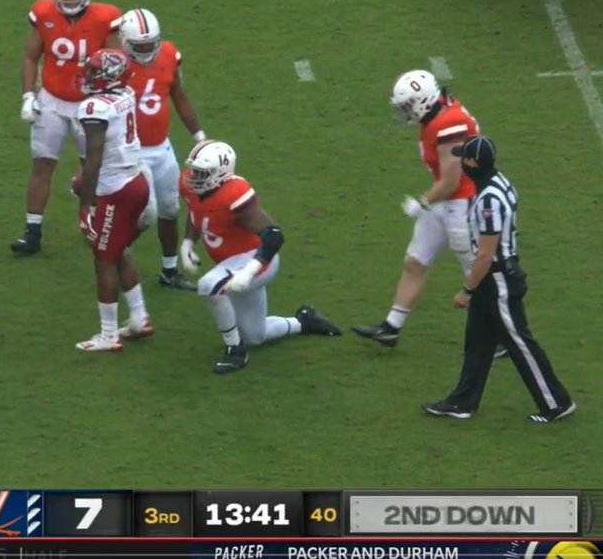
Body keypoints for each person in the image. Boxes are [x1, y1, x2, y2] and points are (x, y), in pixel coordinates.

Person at [352, 70, 505, 359]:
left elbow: (450, 179)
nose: (405, 112)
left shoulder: (449, 123)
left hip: (462, 203)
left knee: (475, 274)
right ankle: (391, 327)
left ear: (422, 100)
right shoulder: (438, 114)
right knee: (415, 261)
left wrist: (422, 202)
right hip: (444, 202)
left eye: (408, 105)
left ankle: (500, 336)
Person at [422, 136, 575, 423]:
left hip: (497, 280)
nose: (461, 162)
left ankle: (557, 402)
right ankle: (462, 402)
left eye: (464, 158)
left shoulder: (487, 201)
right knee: (478, 342)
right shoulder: (499, 182)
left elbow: (486, 254)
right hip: (497, 275)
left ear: (474, 163)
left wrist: (467, 290)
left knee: (519, 342)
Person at [178, 140, 342, 373]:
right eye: (194, 170)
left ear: (221, 173)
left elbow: (274, 236)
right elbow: (196, 213)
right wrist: (187, 243)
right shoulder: (193, 186)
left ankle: (235, 351)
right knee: (256, 335)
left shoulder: (233, 194)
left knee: (208, 286)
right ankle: (304, 322)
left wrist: (249, 271)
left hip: (256, 260)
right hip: (230, 264)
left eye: (202, 173)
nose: (193, 176)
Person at [11, 0, 123, 256]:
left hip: (90, 104)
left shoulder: (106, 18)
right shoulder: (44, 13)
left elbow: (117, 63)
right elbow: (29, 57)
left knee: (92, 167)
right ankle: (32, 230)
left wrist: (110, 100)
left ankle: (90, 223)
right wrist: (27, 95)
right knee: (42, 164)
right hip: (52, 99)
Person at [69, 49, 156, 352]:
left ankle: (108, 335)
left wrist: (86, 205)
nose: (87, 75)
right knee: (119, 250)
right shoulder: (126, 93)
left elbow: (93, 161)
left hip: (116, 190)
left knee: (103, 258)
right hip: (136, 181)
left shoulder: (94, 108)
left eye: (93, 71)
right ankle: (139, 317)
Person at [117, 7, 208, 290]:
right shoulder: (114, 64)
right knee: (149, 213)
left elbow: (179, 97)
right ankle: (112, 252)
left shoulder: (168, 54)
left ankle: (169, 270)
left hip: (162, 147)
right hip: (131, 150)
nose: (145, 50)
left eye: (149, 44)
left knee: (170, 209)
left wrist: (199, 136)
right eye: (139, 45)